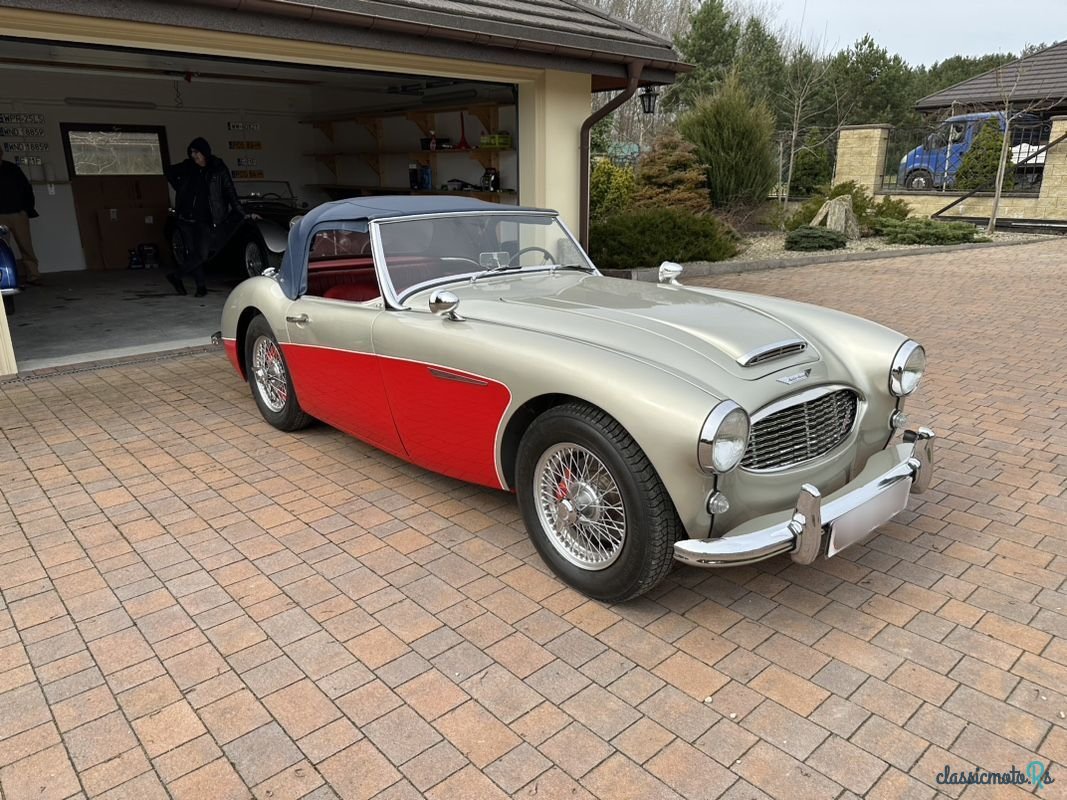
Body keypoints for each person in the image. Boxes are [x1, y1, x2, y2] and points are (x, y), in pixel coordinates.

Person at [164, 137, 245, 297]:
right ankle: (201, 287)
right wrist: (179, 187)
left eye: (197, 152)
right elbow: (168, 171)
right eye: (191, 152)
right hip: (185, 218)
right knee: (192, 253)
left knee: (201, 254)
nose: (194, 156)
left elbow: (230, 192)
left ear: (205, 152)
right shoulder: (188, 167)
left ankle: (176, 276)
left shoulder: (218, 168)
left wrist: (243, 213)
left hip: (206, 219)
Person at [0, 148, 41, 286]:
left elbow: (26, 189)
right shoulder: (12, 168)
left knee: (26, 246)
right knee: (1, 249)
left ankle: (33, 276)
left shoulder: (12, 169)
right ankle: (4, 278)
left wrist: (26, 209)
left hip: (17, 213)